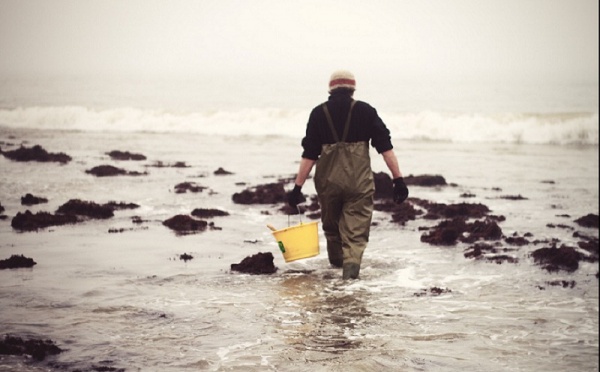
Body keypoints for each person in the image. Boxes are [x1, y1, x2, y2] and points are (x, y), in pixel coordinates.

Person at [287, 70, 409, 280]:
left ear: (330, 89)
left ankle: (335, 275)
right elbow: (385, 148)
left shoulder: (318, 113)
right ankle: (350, 279)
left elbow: (309, 154)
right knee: (355, 233)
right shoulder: (366, 111)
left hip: (328, 183)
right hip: (358, 183)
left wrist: (297, 187)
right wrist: (398, 179)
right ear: (353, 89)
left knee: (332, 227)